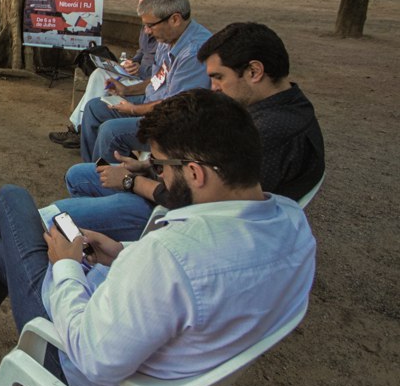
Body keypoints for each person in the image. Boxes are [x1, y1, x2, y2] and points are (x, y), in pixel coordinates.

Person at [0, 90, 316, 386]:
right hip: (174, 377)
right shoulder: (292, 223)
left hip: (91, 377)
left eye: (160, 166)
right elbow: (179, 285)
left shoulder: (173, 256)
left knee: (12, 198)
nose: (158, 177)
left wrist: (64, 267)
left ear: (196, 173)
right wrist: (120, 253)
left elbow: (94, 357)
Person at [58, 22, 326, 243]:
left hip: (178, 216)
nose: (213, 88)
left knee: (58, 220)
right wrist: (147, 166)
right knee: (78, 174)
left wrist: (132, 182)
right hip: (172, 186)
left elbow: (200, 203)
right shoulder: (272, 107)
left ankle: (107, 241)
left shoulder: (270, 133)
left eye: (219, 77)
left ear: (254, 71)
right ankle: (104, 228)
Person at [78, 0, 211, 162]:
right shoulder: (168, 38)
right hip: (151, 104)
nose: (147, 31)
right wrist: (127, 90)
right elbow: (157, 80)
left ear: (175, 19)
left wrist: (133, 109)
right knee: (94, 108)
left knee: (111, 131)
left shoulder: (194, 53)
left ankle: (111, 184)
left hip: (172, 122)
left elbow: (176, 107)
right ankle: (91, 171)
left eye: (150, 25)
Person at [49, 0, 157, 149]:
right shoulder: (147, 26)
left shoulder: (166, 36)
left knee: (100, 92)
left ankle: (78, 129)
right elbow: (142, 51)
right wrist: (134, 62)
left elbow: (161, 74)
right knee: (99, 73)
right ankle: (77, 127)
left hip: (145, 81)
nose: (146, 30)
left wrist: (142, 70)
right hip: (135, 75)